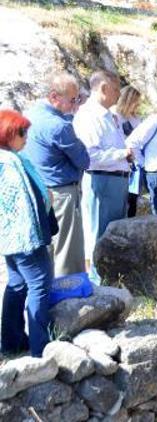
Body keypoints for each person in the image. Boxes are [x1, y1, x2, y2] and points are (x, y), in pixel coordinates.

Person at [0, 110, 56, 357]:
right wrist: (36, 239)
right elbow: (28, 203)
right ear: (9, 134)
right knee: (39, 285)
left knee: (17, 285)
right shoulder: (12, 163)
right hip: (26, 239)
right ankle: (40, 347)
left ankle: (11, 342)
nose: (26, 138)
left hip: (9, 238)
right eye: (22, 132)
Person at [22, 71, 90, 277]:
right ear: (54, 97)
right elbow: (83, 160)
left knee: (47, 247)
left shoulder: (29, 115)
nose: (74, 105)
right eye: (72, 100)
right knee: (67, 249)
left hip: (37, 189)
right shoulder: (59, 125)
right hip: (62, 193)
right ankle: (67, 297)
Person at [73, 70, 132, 284]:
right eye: (116, 89)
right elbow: (91, 156)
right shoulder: (89, 116)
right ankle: (98, 282)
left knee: (114, 232)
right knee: (99, 233)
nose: (118, 94)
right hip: (101, 180)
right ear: (104, 89)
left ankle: (112, 279)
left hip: (116, 180)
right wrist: (122, 154)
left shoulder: (110, 116)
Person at [112, 85, 144, 217]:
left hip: (135, 164)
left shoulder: (135, 119)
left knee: (132, 201)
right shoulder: (114, 115)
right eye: (135, 102)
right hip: (121, 163)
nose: (137, 106)